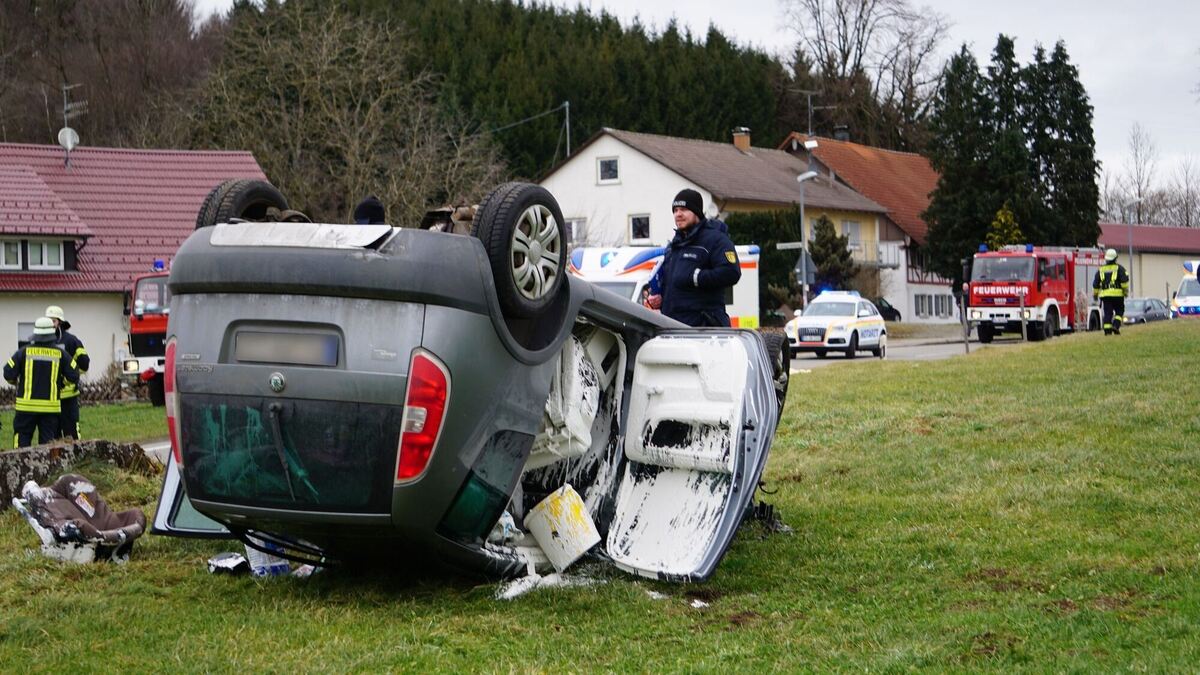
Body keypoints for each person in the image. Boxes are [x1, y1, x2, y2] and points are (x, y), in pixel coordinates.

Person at [646, 189, 741, 327]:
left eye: (684, 209)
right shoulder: (674, 246)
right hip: (673, 327)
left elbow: (731, 273)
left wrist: (697, 277)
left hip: (704, 329)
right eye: (675, 210)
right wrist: (660, 298)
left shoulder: (716, 239)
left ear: (697, 212)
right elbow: (675, 283)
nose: (678, 214)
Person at [4, 317, 78, 447]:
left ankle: (20, 461)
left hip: (25, 408)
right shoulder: (61, 354)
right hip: (50, 409)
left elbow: (8, 373)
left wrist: (16, 382)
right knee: (48, 447)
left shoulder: (23, 352)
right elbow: (74, 374)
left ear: (35, 334)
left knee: (21, 443)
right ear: (52, 334)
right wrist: (62, 383)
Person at [46, 305, 89, 439]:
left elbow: (84, 364)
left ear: (60, 322)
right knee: (53, 439)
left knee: (72, 436)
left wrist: (70, 377)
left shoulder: (71, 341)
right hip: (50, 398)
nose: (51, 324)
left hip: (68, 397)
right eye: (48, 321)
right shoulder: (41, 342)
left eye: (53, 321)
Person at [1093, 248, 1129, 335]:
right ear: (1115, 258)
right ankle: (1116, 326)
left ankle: (1107, 332)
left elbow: (1095, 284)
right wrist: (1125, 292)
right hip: (1118, 295)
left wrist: (1095, 295)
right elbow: (1124, 282)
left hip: (1106, 296)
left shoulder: (1101, 269)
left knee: (1108, 313)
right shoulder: (1120, 268)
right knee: (1119, 311)